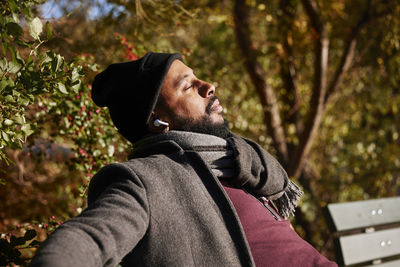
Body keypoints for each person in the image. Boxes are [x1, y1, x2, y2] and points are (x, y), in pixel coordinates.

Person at [30, 52, 337, 267]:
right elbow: (90, 237)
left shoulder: (243, 165)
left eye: (198, 78)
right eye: (189, 85)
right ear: (157, 120)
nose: (209, 86)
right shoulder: (145, 181)